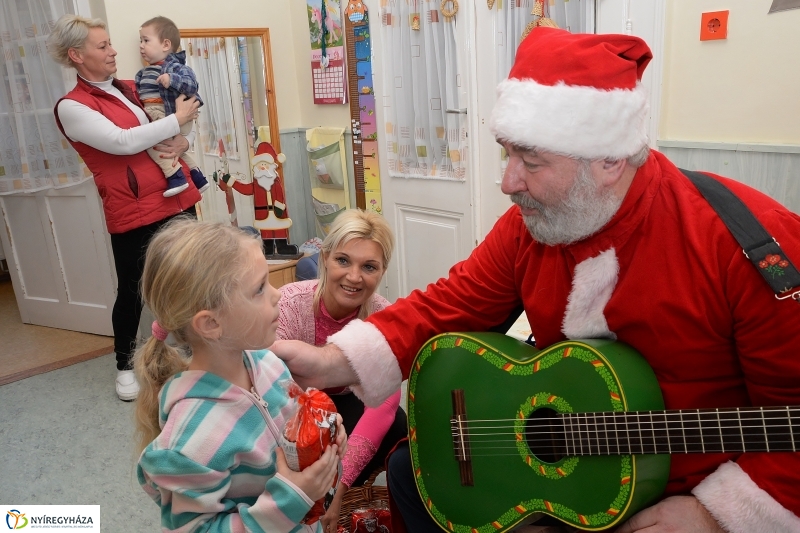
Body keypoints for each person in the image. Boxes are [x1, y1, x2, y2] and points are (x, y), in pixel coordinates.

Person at [271, 27, 800, 533]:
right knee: (414, 471)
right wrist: (330, 361)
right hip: (563, 468)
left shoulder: (744, 243)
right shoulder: (531, 227)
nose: (507, 181)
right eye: (509, 154)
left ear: (610, 160)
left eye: (531, 161)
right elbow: (450, 304)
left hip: (681, 494)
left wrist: (717, 516)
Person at [133, 218, 347, 532]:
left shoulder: (269, 363)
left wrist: (324, 438)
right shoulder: (189, 443)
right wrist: (289, 498)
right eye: (259, 289)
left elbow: (296, 432)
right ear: (211, 324)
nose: (277, 295)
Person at [48, 15, 202, 401]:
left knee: (193, 279)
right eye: (102, 46)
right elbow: (123, 141)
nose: (114, 51)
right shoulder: (72, 107)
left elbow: (184, 114)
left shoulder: (136, 85)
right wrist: (177, 120)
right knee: (133, 290)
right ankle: (124, 365)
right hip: (134, 208)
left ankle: (198, 351)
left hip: (176, 196)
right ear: (76, 55)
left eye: (110, 43)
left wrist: (184, 139)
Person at [276, 209, 407, 532]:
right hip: (291, 407)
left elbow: (383, 407)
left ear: (382, 271)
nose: (354, 277)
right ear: (324, 258)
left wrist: (339, 487)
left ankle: (346, 499)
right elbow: (268, 387)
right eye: (343, 260)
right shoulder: (289, 304)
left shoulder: (384, 316)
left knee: (398, 424)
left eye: (369, 267)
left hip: (348, 404)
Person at [136, 16, 210, 197]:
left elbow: (192, 86)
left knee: (153, 145)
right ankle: (198, 177)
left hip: (166, 112)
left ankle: (175, 176)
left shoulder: (176, 67)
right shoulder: (143, 72)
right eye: (140, 41)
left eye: (146, 40)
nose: (141, 46)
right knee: (172, 147)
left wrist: (171, 80)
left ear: (166, 44)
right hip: (154, 112)